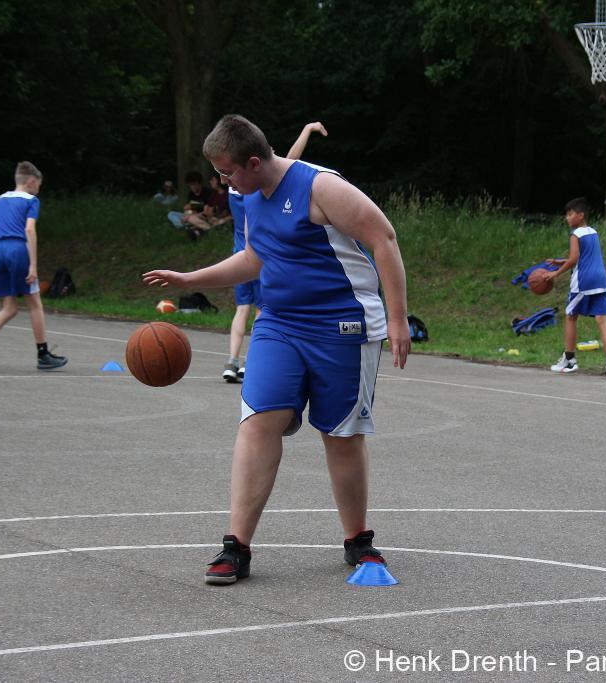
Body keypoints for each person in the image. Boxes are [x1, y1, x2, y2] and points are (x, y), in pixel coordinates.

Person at [142, 115, 409, 584]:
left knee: (341, 435)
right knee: (258, 420)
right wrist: (189, 278)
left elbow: (383, 238)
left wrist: (398, 317)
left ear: (252, 162)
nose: (222, 183)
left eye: (227, 173)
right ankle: (236, 546)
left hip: (341, 325)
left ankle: (358, 539)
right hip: (280, 323)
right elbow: (254, 258)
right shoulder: (248, 195)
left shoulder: (320, 187)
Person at [223, 121, 328, 383]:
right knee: (262, 309)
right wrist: (306, 130)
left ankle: (232, 361)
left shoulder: (233, 185)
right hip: (259, 253)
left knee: (241, 309)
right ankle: (250, 362)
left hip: (238, 250)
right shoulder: (255, 188)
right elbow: (290, 163)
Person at [0, 161, 68, 372]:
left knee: (9, 308)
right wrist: (33, 265)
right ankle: (43, 354)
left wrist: (2, 251)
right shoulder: (31, 200)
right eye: (39, 185)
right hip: (17, 250)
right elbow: (29, 230)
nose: (38, 189)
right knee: (35, 304)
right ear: (32, 181)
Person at [532, 197, 606, 378]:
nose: (567, 218)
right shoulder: (593, 232)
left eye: (570, 214)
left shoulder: (575, 234)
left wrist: (556, 273)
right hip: (600, 279)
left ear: (581, 215)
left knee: (570, 316)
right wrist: (560, 262)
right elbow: (584, 256)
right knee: (602, 320)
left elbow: (574, 259)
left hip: (583, 281)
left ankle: (569, 359)